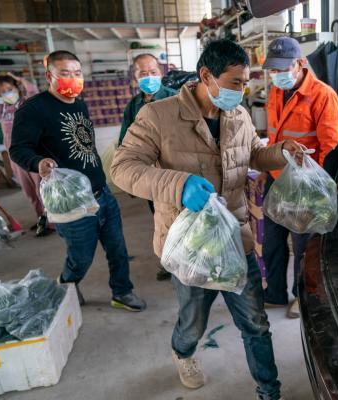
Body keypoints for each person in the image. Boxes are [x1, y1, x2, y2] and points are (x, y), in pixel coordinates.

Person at [110, 40, 303, 400]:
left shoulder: (239, 114)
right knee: (193, 321)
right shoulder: (158, 116)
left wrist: (281, 152)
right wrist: (177, 184)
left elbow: (253, 156)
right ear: (206, 76)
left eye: (245, 83)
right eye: (235, 83)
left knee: (256, 325)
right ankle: (182, 353)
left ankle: (269, 392)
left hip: (234, 237)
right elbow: (122, 168)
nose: (241, 91)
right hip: (190, 245)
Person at [9, 50, 146, 312]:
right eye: (65, 73)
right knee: (81, 257)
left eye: (77, 73)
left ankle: (122, 292)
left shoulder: (80, 104)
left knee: (117, 249)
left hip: (101, 193)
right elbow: (18, 149)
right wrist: (38, 163)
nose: (72, 79)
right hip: (70, 202)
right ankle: (67, 282)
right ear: (50, 76)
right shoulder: (34, 109)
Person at [257, 37, 338, 318]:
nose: (279, 75)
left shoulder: (322, 95)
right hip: (277, 176)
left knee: (303, 246)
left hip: (304, 183)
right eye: (274, 70)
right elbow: (273, 136)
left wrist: (316, 188)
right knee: (272, 239)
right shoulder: (274, 93)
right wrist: (263, 167)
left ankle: (301, 297)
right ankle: (275, 292)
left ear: (301, 63)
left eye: (284, 68)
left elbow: (331, 147)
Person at [118, 53, 177, 281]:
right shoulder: (133, 107)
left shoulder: (176, 98)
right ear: (135, 77)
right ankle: (170, 263)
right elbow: (125, 142)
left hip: (175, 171)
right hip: (150, 177)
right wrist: (130, 179)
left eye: (153, 72)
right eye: (143, 73)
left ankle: (187, 262)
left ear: (161, 73)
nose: (149, 77)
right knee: (160, 219)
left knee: (182, 218)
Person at [0, 73, 50, 236]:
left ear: (17, 88)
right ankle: (42, 220)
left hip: (33, 154)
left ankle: (52, 221)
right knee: (29, 192)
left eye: (10, 89)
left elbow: (33, 90)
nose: (7, 93)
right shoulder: (0, 110)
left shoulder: (26, 103)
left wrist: (18, 78)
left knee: (42, 190)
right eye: (3, 91)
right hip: (16, 158)